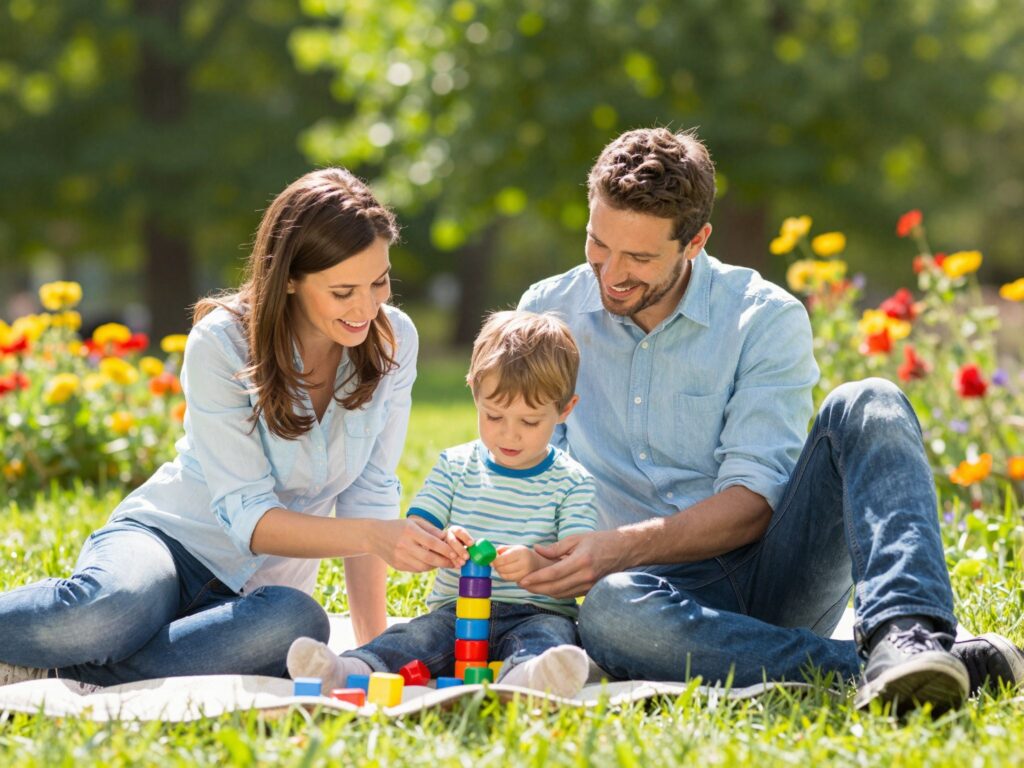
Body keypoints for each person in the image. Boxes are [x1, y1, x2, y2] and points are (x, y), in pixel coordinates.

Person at [514, 127, 1024, 715]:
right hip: (645, 598)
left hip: (773, 575)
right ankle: (920, 666)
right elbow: (532, 474)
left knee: (869, 399)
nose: (611, 273)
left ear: (696, 241)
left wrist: (614, 548)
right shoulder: (547, 313)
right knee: (610, 612)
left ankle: (908, 633)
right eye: (598, 244)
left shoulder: (763, 318)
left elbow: (753, 502)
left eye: (640, 257)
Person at [0, 168, 465, 688]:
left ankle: (64, 666)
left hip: (256, 598)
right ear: (289, 278)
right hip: (168, 542)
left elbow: (369, 491)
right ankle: (101, 646)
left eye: (379, 281)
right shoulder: (222, 342)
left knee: (298, 625)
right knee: (109, 612)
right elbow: (251, 517)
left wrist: (373, 653)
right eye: (342, 291)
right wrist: (375, 537)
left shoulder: (393, 341)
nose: (367, 306)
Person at [287, 311, 598, 697]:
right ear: (474, 393)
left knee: (548, 637)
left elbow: (576, 566)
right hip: (456, 609)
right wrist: (443, 540)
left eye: (530, 422)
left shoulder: (573, 482)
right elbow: (418, 528)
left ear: (565, 410)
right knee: (415, 636)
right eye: (494, 415)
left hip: (536, 611)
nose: (509, 433)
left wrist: (536, 563)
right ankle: (347, 668)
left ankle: (530, 679)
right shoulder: (455, 466)